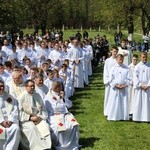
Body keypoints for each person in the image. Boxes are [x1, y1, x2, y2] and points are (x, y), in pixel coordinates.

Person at [44, 81, 80, 150]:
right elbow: (54, 108)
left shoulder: (62, 94)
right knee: (60, 128)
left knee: (73, 125)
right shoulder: (48, 97)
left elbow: (69, 105)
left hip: (65, 114)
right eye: (60, 87)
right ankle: (61, 145)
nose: (61, 88)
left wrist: (63, 98)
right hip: (54, 115)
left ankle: (72, 144)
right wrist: (61, 104)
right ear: (57, 88)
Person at [17, 79, 51, 150]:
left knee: (46, 126)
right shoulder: (21, 97)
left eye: (33, 86)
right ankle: (36, 148)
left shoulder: (37, 95)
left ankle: (46, 147)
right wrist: (30, 118)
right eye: (30, 86)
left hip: (38, 118)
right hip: (26, 120)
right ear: (26, 87)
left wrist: (40, 117)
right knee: (32, 128)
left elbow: (43, 108)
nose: (32, 87)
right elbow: (19, 112)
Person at [107, 54, 131, 121]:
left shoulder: (126, 68)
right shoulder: (113, 68)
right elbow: (111, 78)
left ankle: (123, 116)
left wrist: (125, 84)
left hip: (123, 88)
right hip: (115, 88)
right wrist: (116, 85)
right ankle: (114, 116)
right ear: (116, 59)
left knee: (123, 102)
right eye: (119, 59)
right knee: (115, 102)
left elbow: (129, 78)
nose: (121, 61)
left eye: (122, 59)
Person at [0, 80, 20, 150]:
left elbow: (14, 110)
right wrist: (2, 121)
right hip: (0, 122)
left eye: (2, 86)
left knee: (15, 128)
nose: (1, 88)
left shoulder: (10, 97)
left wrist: (11, 120)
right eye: (0, 86)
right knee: (1, 130)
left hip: (9, 121)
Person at [133, 52, 150, 122]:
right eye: (143, 57)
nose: (144, 58)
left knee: (147, 103)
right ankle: (138, 117)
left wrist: (148, 85)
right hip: (140, 88)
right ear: (140, 57)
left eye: (145, 57)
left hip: (148, 88)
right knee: (138, 102)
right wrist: (140, 85)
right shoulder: (137, 66)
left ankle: (147, 117)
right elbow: (135, 77)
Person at [103, 47, 118, 116]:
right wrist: (108, 80)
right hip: (109, 81)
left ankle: (114, 111)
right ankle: (107, 111)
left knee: (115, 96)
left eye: (116, 51)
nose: (115, 53)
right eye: (114, 51)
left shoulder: (117, 60)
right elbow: (105, 71)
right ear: (111, 51)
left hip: (115, 81)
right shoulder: (107, 60)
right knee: (108, 96)